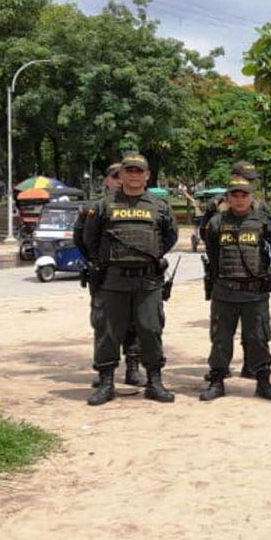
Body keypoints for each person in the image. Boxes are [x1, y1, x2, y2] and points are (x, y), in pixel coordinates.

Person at [82, 152, 179, 406]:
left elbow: (170, 236)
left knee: (150, 329)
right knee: (109, 332)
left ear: (147, 175)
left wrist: (151, 255)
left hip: (148, 282)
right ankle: (106, 383)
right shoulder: (103, 206)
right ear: (121, 174)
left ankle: (154, 382)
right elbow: (90, 238)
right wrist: (104, 261)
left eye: (139, 171)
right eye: (129, 171)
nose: (134, 175)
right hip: (114, 281)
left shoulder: (160, 206)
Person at [200, 176, 271, 402]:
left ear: (252, 197)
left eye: (244, 195)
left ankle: (263, 382)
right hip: (224, 292)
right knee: (221, 339)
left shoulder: (263, 222)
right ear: (227, 198)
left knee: (258, 338)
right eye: (234, 195)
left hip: (254, 293)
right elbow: (212, 253)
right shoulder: (217, 223)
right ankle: (217, 381)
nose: (239, 200)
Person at [75, 162, 145, 389]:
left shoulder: (142, 206)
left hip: (135, 276)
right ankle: (104, 370)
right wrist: (98, 261)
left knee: (135, 322)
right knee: (104, 323)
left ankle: (133, 368)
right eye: (114, 176)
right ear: (107, 180)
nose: (118, 180)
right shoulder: (94, 207)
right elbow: (82, 238)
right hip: (105, 275)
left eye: (120, 176)